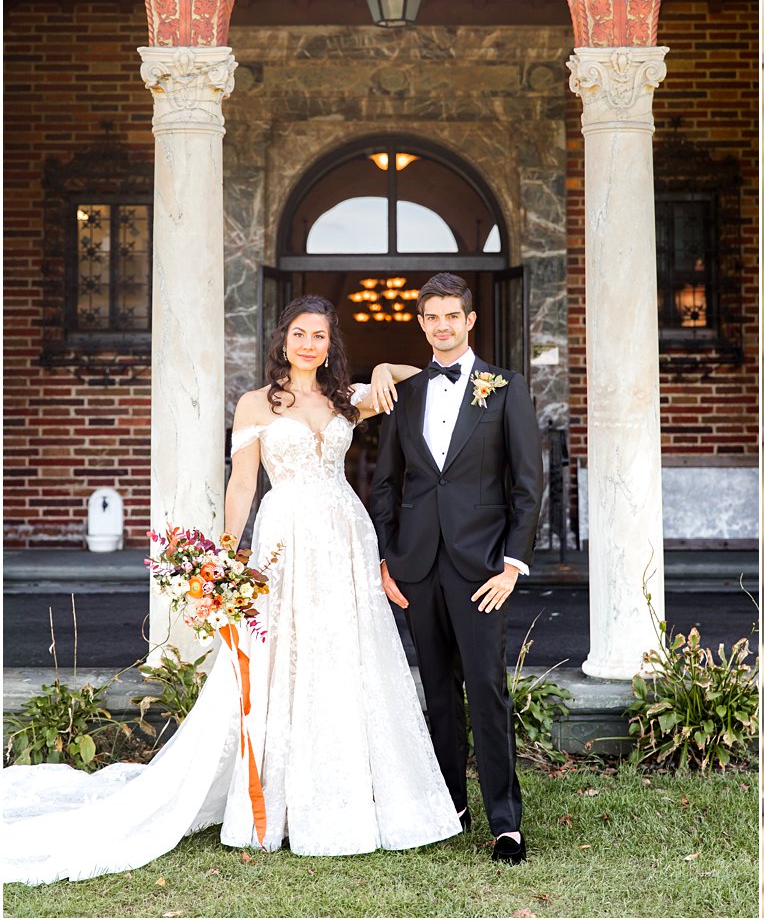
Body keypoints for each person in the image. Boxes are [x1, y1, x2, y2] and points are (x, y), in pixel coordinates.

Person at [2, 295, 461, 885]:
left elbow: (429, 374)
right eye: (300, 334)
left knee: (346, 656)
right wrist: (224, 555)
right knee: (283, 656)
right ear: (283, 339)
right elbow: (243, 484)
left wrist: (379, 372)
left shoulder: (345, 398)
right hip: (284, 538)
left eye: (320, 336)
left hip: (345, 535)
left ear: (330, 345)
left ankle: (345, 800)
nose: (308, 345)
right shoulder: (256, 403)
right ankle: (280, 799)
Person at [368, 272, 542, 866]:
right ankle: (448, 806)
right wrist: (389, 557)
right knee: (437, 693)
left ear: (470, 321)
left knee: (486, 690)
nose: (442, 325)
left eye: (452, 316)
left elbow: (526, 486)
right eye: (432, 317)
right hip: (416, 564)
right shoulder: (405, 395)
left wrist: (512, 565)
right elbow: (386, 483)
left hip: (480, 569)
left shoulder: (506, 388)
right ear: (422, 324)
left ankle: (505, 822)